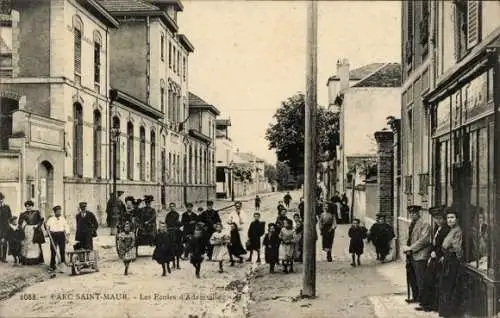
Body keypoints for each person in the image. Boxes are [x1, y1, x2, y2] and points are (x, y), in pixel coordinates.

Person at [415, 206, 450, 313]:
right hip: (434, 257)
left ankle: (432, 305)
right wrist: (432, 252)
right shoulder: (437, 228)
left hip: (440, 259)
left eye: (440, 219)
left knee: (434, 281)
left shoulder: (446, 229)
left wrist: (437, 253)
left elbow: (445, 245)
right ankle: (427, 304)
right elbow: (434, 243)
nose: (438, 221)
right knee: (428, 280)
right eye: (436, 218)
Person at [438, 208, 464, 317]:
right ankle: (446, 311)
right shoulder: (451, 230)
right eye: (448, 218)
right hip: (448, 259)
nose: (450, 220)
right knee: (445, 286)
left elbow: (457, 248)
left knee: (450, 285)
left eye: (452, 218)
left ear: (457, 219)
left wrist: (457, 258)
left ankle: (450, 313)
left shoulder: (458, 230)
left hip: (452, 261)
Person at [402, 205, 431, 304]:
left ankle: (423, 301)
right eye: (410, 213)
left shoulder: (425, 224)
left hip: (420, 255)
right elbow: (407, 238)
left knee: (420, 279)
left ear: (419, 213)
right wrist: (405, 248)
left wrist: (410, 248)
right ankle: (415, 297)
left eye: (414, 213)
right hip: (410, 255)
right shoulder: (411, 224)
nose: (412, 215)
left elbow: (424, 240)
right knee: (412, 277)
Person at [18, 200, 45, 265]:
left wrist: (37, 226)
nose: (28, 208)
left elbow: (41, 220)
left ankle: (37, 260)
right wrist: (21, 228)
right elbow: (19, 222)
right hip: (27, 229)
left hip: (35, 229)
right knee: (27, 244)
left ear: (32, 206)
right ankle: (26, 260)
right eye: (26, 206)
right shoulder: (23, 214)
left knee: (35, 244)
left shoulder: (36, 212)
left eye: (29, 206)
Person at [45, 205, 70, 272]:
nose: (59, 212)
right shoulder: (51, 219)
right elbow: (47, 227)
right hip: (53, 235)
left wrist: (67, 237)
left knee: (62, 250)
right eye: (57, 211)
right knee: (53, 251)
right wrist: (47, 231)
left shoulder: (63, 219)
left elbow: (66, 228)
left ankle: (63, 263)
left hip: (61, 235)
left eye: (60, 211)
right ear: (55, 212)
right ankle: (52, 265)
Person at [165, 202, 182, 269]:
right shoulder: (168, 215)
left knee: (178, 248)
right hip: (170, 232)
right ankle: (173, 264)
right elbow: (167, 223)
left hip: (176, 233)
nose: (172, 207)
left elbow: (178, 223)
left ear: (175, 207)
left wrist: (177, 225)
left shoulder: (177, 214)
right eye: (171, 206)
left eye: (173, 206)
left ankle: (178, 264)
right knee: (171, 249)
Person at [0, 192, 12, 263]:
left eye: (1, 199)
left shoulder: (7, 207)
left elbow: (10, 217)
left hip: (5, 228)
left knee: (4, 242)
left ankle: (4, 257)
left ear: (3, 199)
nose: (0, 201)